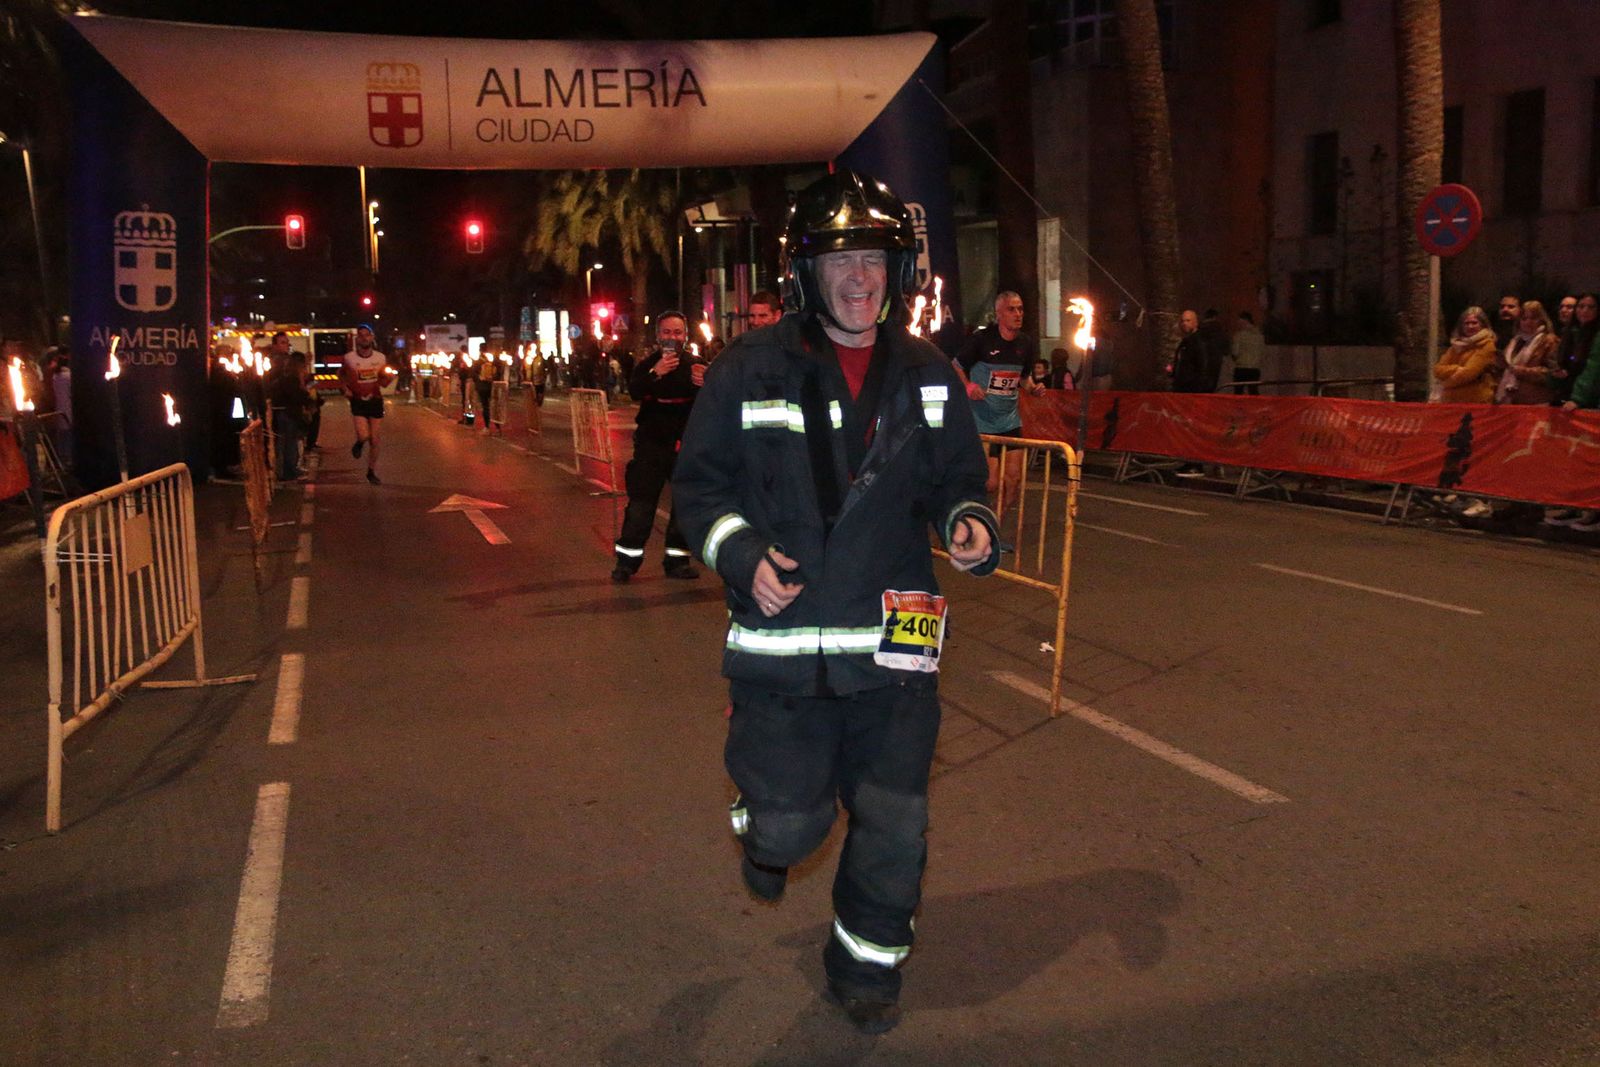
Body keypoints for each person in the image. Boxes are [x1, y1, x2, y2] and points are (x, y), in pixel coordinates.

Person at [673, 169, 998, 1036]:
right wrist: (740, 554)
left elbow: (960, 476)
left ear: (899, 272)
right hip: (783, 653)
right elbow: (697, 494)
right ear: (807, 274)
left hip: (894, 655)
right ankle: (764, 834)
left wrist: (968, 519)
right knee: (787, 826)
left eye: (877, 259)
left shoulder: (928, 372)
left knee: (895, 822)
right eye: (843, 259)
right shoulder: (747, 369)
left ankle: (867, 968)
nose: (862, 278)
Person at [611, 311, 702, 582]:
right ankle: (626, 562)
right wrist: (656, 373)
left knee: (684, 505)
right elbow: (636, 390)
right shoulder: (647, 365)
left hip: (684, 445)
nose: (671, 338)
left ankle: (677, 561)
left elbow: (709, 400)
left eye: (677, 333)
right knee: (641, 504)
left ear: (685, 336)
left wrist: (705, 382)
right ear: (658, 335)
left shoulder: (696, 365)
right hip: (651, 445)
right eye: (666, 332)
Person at [954, 290, 1043, 529]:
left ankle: (991, 528)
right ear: (999, 314)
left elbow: (1023, 378)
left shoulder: (1026, 342)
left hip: (1009, 421)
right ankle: (961, 516)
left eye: (1021, 309)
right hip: (982, 420)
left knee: (1013, 482)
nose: (1018, 314)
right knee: (990, 483)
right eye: (1011, 309)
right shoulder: (982, 340)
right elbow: (956, 365)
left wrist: (1033, 389)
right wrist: (969, 385)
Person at [340, 324, 387, 484]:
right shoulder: (349, 358)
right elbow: (341, 376)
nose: (364, 338)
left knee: (375, 439)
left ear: (372, 337)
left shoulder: (380, 358)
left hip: (375, 400)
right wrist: (345, 389)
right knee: (364, 435)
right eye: (361, 335)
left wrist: (389, 378)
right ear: (357, 339)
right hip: (358, 401)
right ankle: (359, 443)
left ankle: (371, 471)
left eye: (367, 335)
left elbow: (384, 379)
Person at [1494, 300, 1560, 406]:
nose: (1528, 322)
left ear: (1542, 320)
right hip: (1511, 400)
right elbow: (1507, 368)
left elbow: (1552, 373)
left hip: (1536, 401)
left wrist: (1522, 371)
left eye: (1533, 318)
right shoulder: (1515, 341)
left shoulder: (1549, 340)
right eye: (1524, 318)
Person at [1431, 306, 1497, 404]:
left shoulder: (1487, 345)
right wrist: (1456, 368)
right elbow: (1437, 369)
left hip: (1476, 401)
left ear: (1483, 325)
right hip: (1451, 401)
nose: (1470, 326)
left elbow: (1469, 373)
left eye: (1474, 323)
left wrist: (1445, 384)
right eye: (1467, 323)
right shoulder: (1456, 345)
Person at [269, 351, 313, 480]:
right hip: (288, 413)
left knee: (285, 443)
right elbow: (296, 395)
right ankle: (289, 472)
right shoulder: (291, 378)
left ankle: (286, 471)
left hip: (283, 412)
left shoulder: (284, 376)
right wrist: (307, 399)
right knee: (290, 443)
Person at [1230, 311, 1265, 395]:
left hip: (1241, 367)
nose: (1238, 324)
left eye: (1239, 321)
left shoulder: (1239, 335)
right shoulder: (1260, 336)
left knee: (1238, 392)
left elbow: (1235, 352)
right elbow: (1263, 352)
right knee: (1253, 391)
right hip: (1255, 368)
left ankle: (1239, 408)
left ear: (1245, 321)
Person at [475, 346, 502, 434]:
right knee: (494, 407)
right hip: (493, 386)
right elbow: (499, 372)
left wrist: (480, 378)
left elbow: (474, 373)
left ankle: (487, 427)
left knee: (485, 407)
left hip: (483, 387)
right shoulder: (494, 360)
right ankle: (498, 428)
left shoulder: (479, 361)